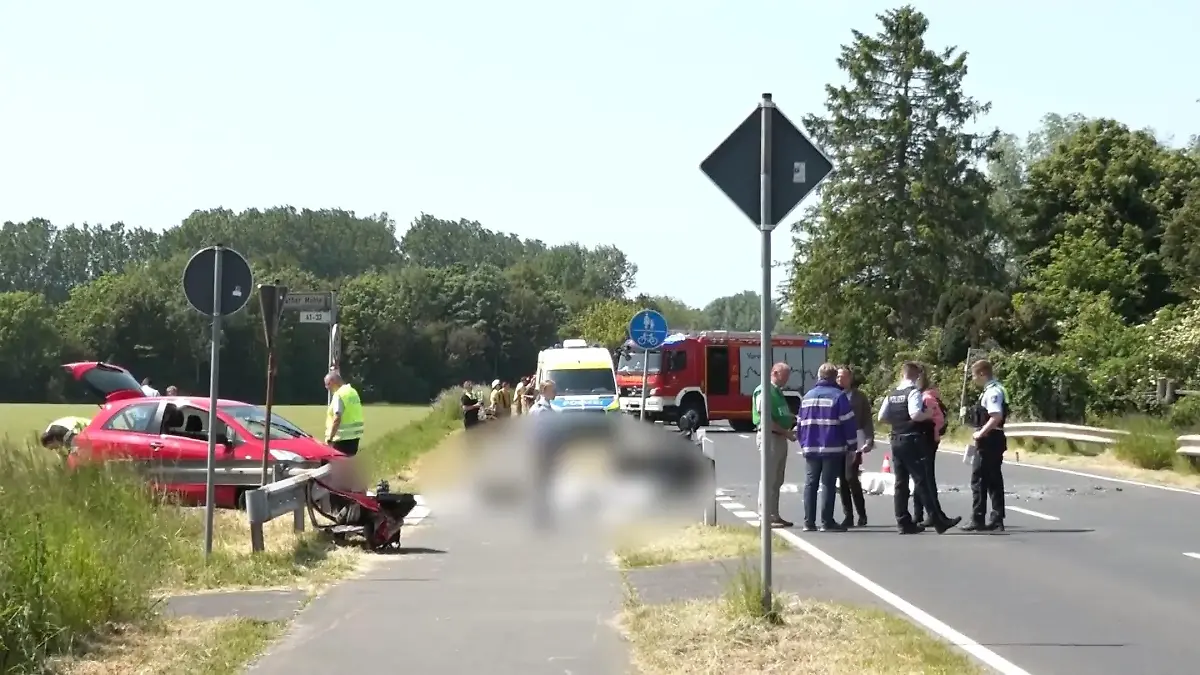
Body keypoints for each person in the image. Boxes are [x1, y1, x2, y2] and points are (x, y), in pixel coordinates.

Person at [878, 361, 961, 535]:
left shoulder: (892, 394)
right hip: (911, 439)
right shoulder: (913, 392)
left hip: (896, 439)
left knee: (901, 483)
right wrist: (928, 415)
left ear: (902, 374)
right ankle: (937, 520)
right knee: (920, 480)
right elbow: (915, 414)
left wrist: (897, 422)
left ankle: (903, 521)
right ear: (915, 375)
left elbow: (881, 417)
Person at [798, 363, 857, 532]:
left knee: (810, 484)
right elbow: (848, 423)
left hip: (810, 447)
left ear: (818, 376)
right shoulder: (838, 397)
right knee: (828, 484)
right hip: (832, 447)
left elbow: (800, 424)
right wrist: (852, 446)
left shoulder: (807, 396)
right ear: (833, 378)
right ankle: (827, 521)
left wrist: (803, 443)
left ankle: (808, 522)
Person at [964, 359, 1009, 532]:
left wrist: (980, 433)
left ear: (982, 373)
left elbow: (995, 415)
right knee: (993, 480)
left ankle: (978, 518)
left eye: (974, 376)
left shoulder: (992, 392)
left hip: (989, 439)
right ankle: (997, 518)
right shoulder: (995, 389)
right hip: (995, 439)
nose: (974, 380)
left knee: (979, 480)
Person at [753, 362, 797, 528]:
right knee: (768, 477)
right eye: (785, 375)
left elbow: (780, 414)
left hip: (780, 437)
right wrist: (787, 433)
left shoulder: (777, 392)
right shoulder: (764, 390)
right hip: (770, 437)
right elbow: (765, 419)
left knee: (777, 479)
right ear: (775, 373)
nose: (787, 379)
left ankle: (774, 514)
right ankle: (764, 516)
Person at [836, 366, 871, 528]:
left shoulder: (860, 397)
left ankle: (862, 514)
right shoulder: (834, 395)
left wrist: (869, 439)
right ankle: (848, 515)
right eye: (838, 377)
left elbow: (866, 419)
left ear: (850, 378)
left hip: (855, 440)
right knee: (842, 480)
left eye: (843, 377)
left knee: (851, 477)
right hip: (837, 439)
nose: (840, 379)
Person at [913, 369, 949, 528]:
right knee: (922, 478)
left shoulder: (926, 399)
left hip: (927, 440)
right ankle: (922, 514)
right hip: (928, 439)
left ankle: (927, 515)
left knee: (925, 478)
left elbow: (937, 421)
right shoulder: (930, 396)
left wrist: (934, 434)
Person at [323, 370, 365, 456]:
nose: (326, 387)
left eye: (327, 384)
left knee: (335, 465)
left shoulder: (339, 395)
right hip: (354, 437)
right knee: (348, 465)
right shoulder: (352, 392)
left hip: (340, 439)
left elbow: (337, 417)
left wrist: (330, 438)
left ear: (333, 382)